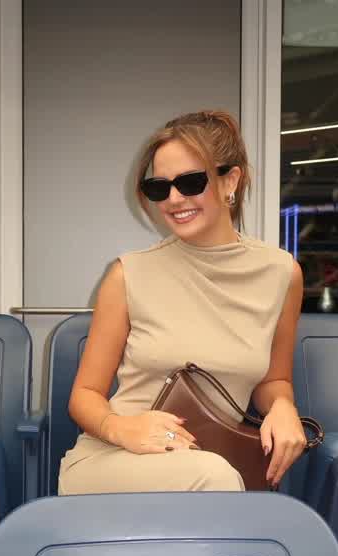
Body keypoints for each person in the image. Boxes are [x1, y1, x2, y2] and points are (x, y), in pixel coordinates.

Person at [58, 110, 306, 495]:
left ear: (231, 180)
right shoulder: (128, 274)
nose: (174, 199)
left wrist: (283, 407)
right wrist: (123, 428)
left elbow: (273, 380)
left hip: (212, 461)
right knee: (217, 479)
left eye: (190, 182)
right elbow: (84, 396)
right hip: (115, 458)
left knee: (218, 476)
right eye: (160, 188)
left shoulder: (282, 274)